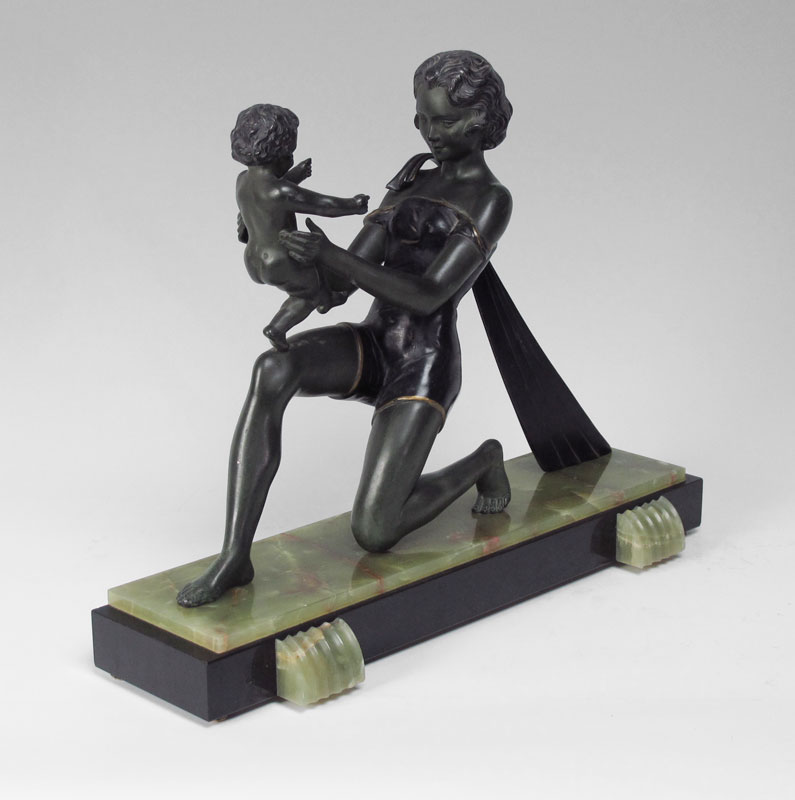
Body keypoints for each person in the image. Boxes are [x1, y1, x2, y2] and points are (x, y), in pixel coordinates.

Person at [178, 50, 608, 609]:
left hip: (422, 366)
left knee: (375, 530)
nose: (430, 132)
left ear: (480, 119)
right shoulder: (409, 183)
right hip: (374, 345)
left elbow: (430, 294)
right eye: (422, 118)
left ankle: (483, 460)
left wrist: (332, 255)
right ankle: (235, 555)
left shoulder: (491, 200)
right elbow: (342, 286)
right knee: (272, 369)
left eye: (444, 121)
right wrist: (275, 238)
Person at [231, 103, 369, 350]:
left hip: (253, 258)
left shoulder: (242, 181)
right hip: (281, 260)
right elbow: (323, 205)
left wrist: (296, 176)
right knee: (307, 295)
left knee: (315, 273)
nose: (291, 158)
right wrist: (353, 205)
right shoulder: (281, 191)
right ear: (277, 152)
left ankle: (326, 295)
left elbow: (267, 200)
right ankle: (279, 327)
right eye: (289, 153)